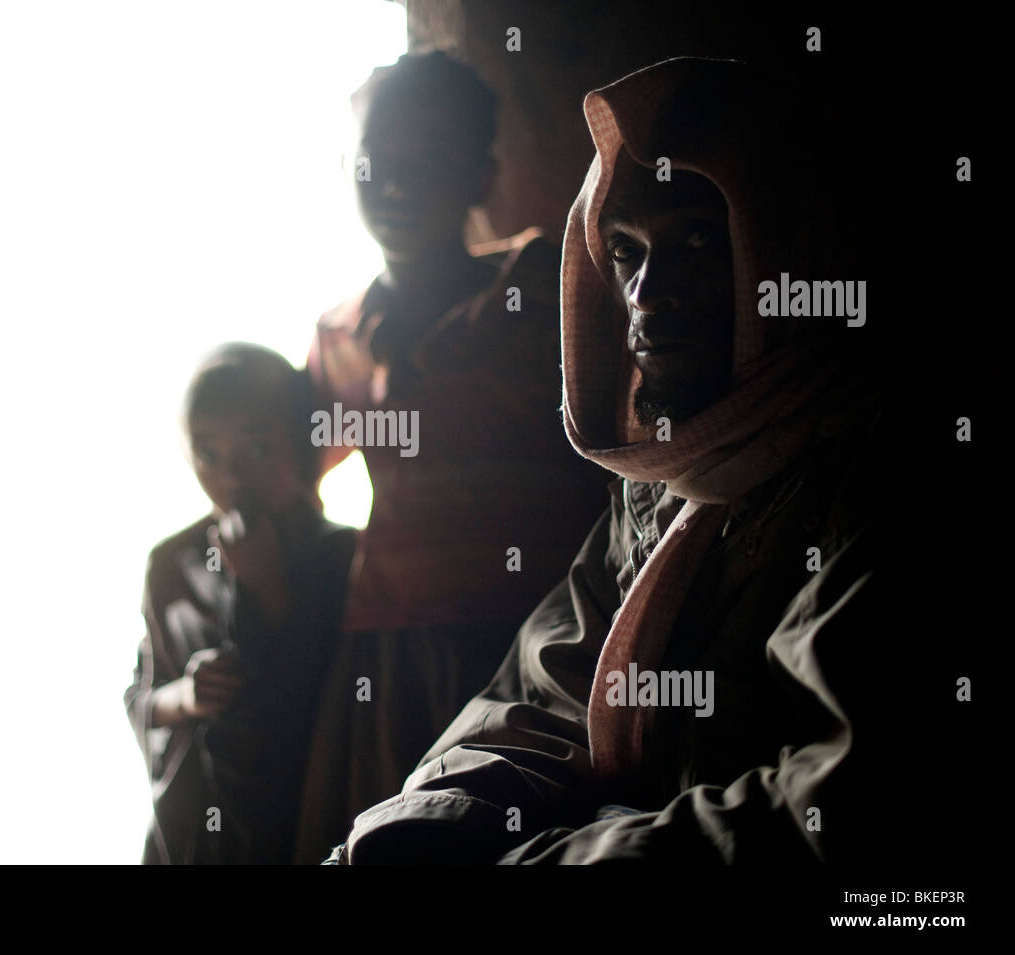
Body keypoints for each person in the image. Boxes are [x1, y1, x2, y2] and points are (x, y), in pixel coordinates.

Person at [331, 56, 921, 864]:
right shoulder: (658, 485)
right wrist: (417, 832)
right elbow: (546, 693)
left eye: (699, 240)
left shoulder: (881, 467)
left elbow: (841, 813)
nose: (646, 293)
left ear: (788, 251)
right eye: (625, 251)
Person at [295, 50, 611, 863]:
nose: (395, 183)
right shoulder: (339, 337)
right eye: (377, 159)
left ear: (480, 174)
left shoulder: (542, 288)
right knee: (389, 837)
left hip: (535, 640)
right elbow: (293, 479)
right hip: (388, 650)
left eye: (429, 160)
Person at [124, 343, 356, 864]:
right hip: (188, 833)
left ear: (300, 442)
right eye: (207, 454)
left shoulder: (340, 554)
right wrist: (188, 696)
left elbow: (337, 701)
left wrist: (268, 591)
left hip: (305, 826)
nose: (230, 477)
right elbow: (141, 701)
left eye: (255, 449)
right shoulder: (172, 563)